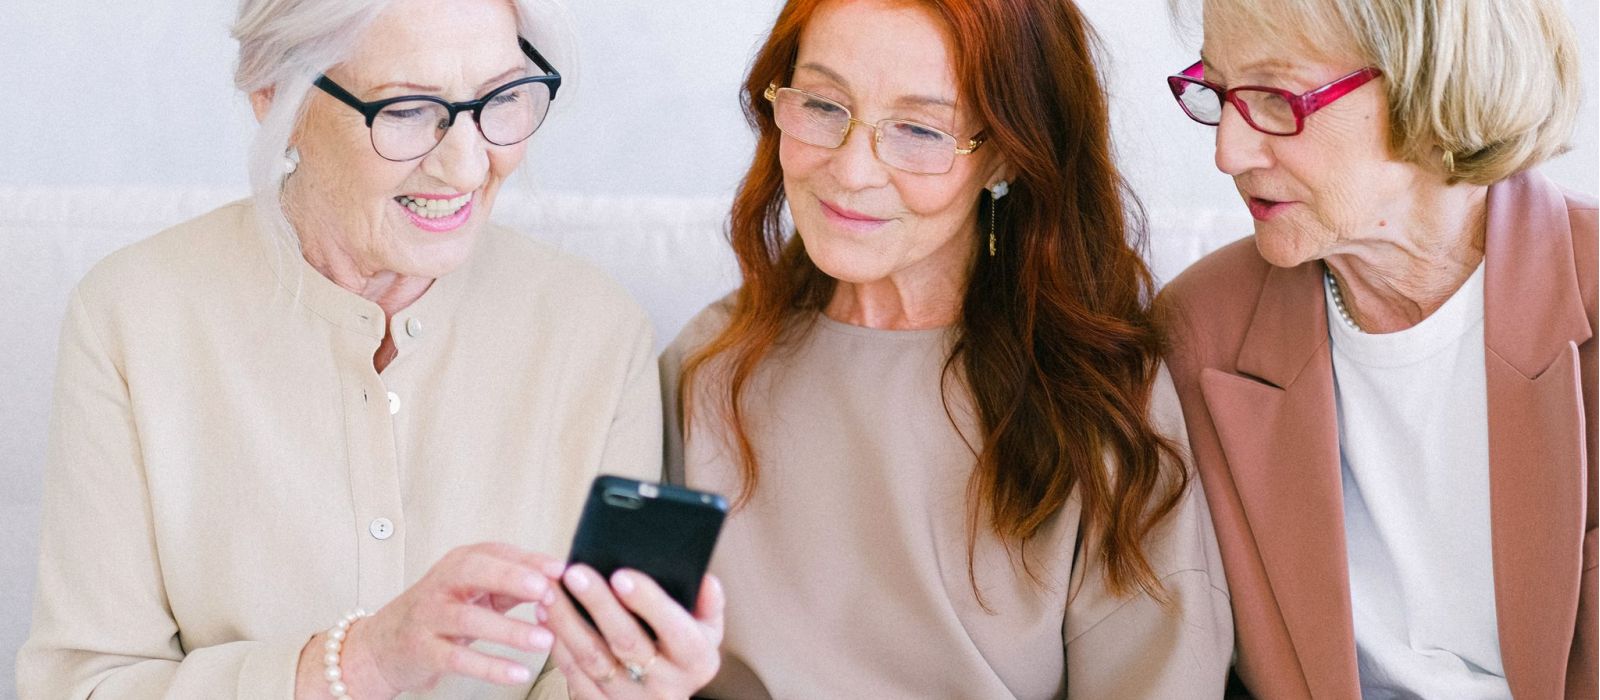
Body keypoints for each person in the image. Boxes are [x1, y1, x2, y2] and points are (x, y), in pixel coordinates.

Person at [16, 0, 721, 697]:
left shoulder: (596, 330)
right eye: (408, 110)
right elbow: (85, 683)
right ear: (274, 94)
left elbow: (577, 676)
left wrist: (622, 687)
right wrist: (359, 664)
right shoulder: (132, 315)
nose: (468, 167)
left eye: (502, 96)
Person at [653, 0, 1232, 697]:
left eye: (920, 130)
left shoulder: (1100, 398)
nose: (852, 170)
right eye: (823, 104)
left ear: (1006, 157)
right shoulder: (707, 362)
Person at [1157, 0, 1595, 696]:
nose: (1228, 153)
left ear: (1435, 83)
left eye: (1276, 99)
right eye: (1217, 94)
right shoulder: (1195, 333)